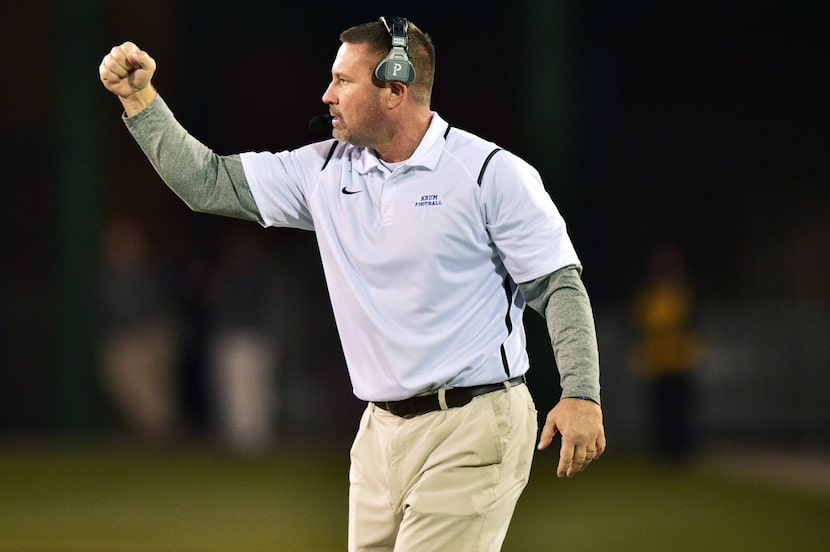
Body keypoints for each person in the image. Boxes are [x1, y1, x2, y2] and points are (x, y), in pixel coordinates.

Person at [99, 17, 606, 551]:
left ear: (394, 88)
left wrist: (581, 393)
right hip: (378, 433)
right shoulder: (323, 171)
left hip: (473, 424)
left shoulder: (490, 173)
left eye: (344, 80)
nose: (327, 94)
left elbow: (558, 287)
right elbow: (208, 183)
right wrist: (141, 101)